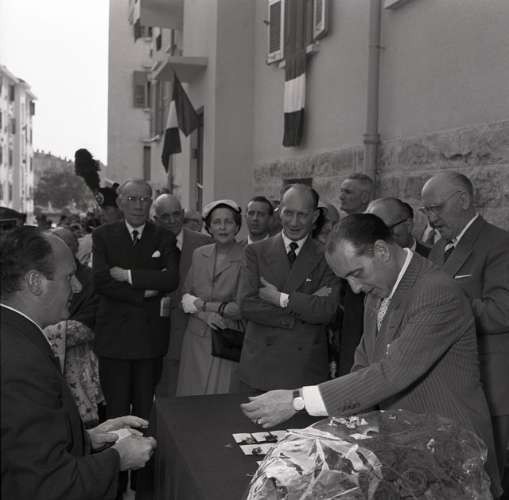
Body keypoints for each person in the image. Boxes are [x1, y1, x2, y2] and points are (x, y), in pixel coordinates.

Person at [241, 214, 502, 498]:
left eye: (357, 273)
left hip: (454, 451)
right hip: (407, 449)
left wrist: (298, 399)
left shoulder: (437, 292)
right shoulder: (376, 293)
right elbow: (363, 366)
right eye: (346, 279)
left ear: (381, 250)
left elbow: (392, 373)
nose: (354, 288)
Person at [1, 226, 157, 500]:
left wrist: (87, 438)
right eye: (69, 277)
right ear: (35, 282)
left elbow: (20, 448)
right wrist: (117, 459)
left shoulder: (16, 336)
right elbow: (45, 485)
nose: (78, 287)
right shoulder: (22, 363)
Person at [421, 171, 509, 482]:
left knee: (488, 480)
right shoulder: (439, 248)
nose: (431, 219)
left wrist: (441, 311)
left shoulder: (499, 244)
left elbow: (502, 312)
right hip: (447, 387)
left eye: (436, 208)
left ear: (463, 200)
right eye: (426, 210)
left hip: (489, 388)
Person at [238, 184, 340, 391]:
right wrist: (303, 306)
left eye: (302, 215)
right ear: (279, 212)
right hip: (262, 365)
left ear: (315, 216)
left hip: (305, 366)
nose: (294, 222)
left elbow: (325, 310)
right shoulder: (255, 252)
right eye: (288, 213)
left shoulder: (327, 256)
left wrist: (279, 298)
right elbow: (247, 305)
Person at [92, 179, 180, 421]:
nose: (138, 205)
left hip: (149, 339)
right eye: (132, 199)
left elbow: (171, 279)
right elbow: (101, 280)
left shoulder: (163, 237)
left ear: (151, 203)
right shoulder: (102, 236)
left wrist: (127, 275)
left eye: (144, 199)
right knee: (116, 411)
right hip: (114, 339)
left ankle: (146, 447)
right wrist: (143, 292)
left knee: (145, 411)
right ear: (120, 202)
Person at [176, 199, 245, 395]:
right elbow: (185, 297)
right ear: (209, 228)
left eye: (228, 222)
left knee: (219, 401)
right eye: (217, 222)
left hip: (226, 340)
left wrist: (202, 304)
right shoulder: (199, 254)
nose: (222, 227)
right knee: (191, 400)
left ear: (237, 226)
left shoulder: (247, 257)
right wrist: (205, 315)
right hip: (195, 339)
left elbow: (240, 308)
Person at [152, 193, 211, 397]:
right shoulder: (146, 244)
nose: (171, 221)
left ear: (183, 214)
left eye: (176, 214)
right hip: (160, 337)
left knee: (195, 397)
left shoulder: (204, 243)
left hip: (198, 334)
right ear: (156, 219)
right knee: (165, 397)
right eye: (165, 216)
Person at [44, 227, 105, 426]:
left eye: (68, 245)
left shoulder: (91, 277)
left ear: (76, 247)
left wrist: (47, 331)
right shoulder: (46, 276)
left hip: (81, 359)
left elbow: (92, 319)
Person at [337, 174, 374, 376]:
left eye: (348, 192)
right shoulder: (341, 227)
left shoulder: (375, 228)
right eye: (341, 191)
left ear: (364, 197)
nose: (341, 196)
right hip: (346, 313)